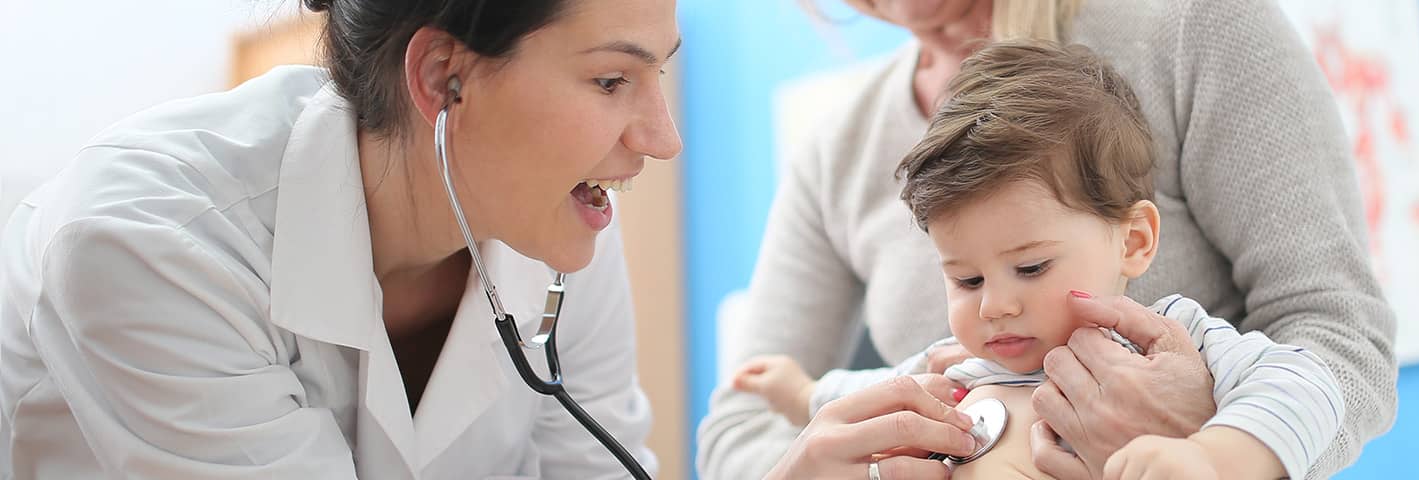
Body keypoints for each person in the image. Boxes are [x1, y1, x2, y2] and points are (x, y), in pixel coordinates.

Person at [0, 0, 976, 478]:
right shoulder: (150, 243)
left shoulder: (547, 228)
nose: (662, 138)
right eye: (611, 82)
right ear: (445, 80)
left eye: (660, 78)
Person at [698, 0, 1399, 478]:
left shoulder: (1190, 26)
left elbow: (1333, 349)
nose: (913, 13)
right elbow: (786, 412)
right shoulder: (837, 153)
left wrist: (1215, 444)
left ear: (1134, 241)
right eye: (965, 280)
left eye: (1030, 266)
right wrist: (812, 411)